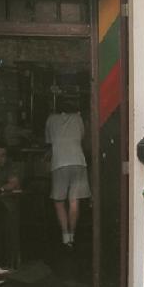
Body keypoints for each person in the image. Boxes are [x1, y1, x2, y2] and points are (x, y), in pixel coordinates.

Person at [45, 97, 90, 247]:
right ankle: (73, 234)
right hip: (78, 161)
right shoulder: (78, 119)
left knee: (59, 201)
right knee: (74, 201)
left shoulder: (51, 119)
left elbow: (49, 142)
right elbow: (82, 137)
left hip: (59, 163)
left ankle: (65, 236)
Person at [0, 141, 22, 270]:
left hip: (6, 205)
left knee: (9, 224)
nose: (0, 159)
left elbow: (14, 182)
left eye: (3, 155)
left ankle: (9, 262)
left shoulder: (9, 166)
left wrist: (0, 188)